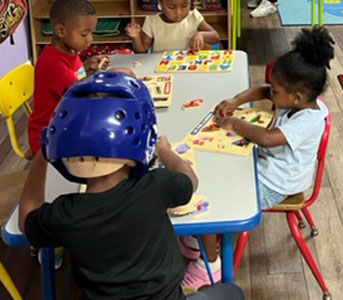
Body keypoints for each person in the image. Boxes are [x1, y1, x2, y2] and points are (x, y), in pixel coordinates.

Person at [19, 71, 245, 300]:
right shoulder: (155, 186)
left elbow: (26, 220)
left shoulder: (65, 213)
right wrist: (165, 151)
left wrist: (40, 157)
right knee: (232, 292)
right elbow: (190, 180)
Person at [180, 26, 334, 290]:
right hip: (264, 164)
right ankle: (201, 241)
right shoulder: (300, 100)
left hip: (277, 183)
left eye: (276, 91)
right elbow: (263, 90)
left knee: (208, 201)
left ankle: (211, 265)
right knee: (210, 172)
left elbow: (266, 138)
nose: (270, 93)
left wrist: (235, 123)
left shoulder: (309, 119)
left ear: (295, 97)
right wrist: (235, 99)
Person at [27, 0, 109, 157]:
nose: (90, 40)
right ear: (60, 30)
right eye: (84, 34)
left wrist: (87, 65)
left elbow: (72, 76)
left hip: (66, 121)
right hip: (49, 135)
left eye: (91, 33)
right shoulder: (52, 63)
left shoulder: (69, 51)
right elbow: (82, 93)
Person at [126, 0, 220, 53]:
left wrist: (201, 35)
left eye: (184, 5)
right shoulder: (152, 22)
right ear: (160, 2)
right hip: (161, 70)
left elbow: (215, 37)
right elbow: (142, 51)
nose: (179, 12)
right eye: (171, 7)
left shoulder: (194, 16)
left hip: (187, 66)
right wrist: (136, 38)